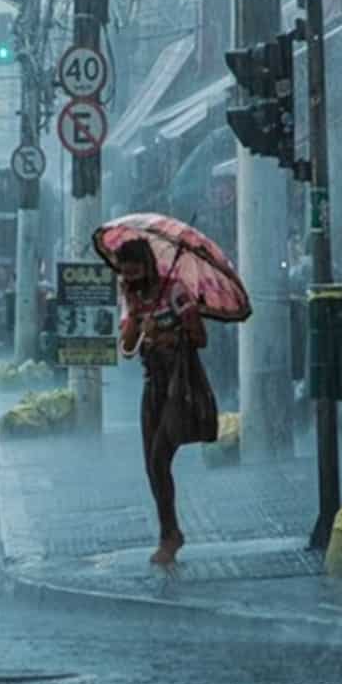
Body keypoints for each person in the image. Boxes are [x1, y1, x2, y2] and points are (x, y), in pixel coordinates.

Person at [117, 238, 208, 566]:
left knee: (159, 459)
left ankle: (169, 536)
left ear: (149, 267)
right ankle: (169, 530)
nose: (132, 281)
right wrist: (134, 318)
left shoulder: (174, 292)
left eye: (137, 274)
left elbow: (199, 337)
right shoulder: (132, 296)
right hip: (152, 385)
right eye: (126, 276)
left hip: (177, 385)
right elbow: (127, 348)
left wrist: (165, 335)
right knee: (152, 467)